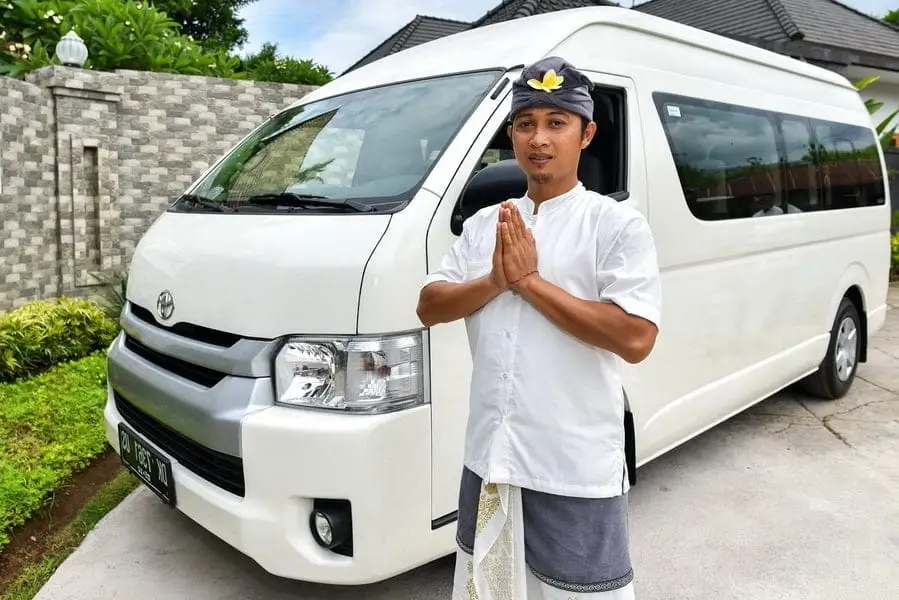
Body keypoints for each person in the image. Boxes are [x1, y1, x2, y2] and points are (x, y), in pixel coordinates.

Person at [416, 56, 662, 599]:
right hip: (490, 456)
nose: (539, 138)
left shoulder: (614, 223)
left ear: (587, 133)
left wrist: (530, 284)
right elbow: (430, 305)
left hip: (571, 463)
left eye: (557, 122)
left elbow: (636, 337)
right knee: (491, 586)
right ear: (511, 135)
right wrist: (496, 281)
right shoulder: (488, 224)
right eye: (526, 124)